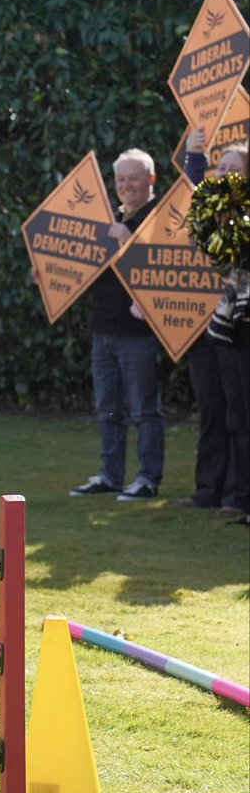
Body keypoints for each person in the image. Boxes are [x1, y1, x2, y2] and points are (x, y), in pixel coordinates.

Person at [70, 148, 164, 502]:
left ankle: (148, 479)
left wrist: (126, 240)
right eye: (120, 179)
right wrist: (47, 275)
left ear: (150, 180)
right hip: (104, 330)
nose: (126, 185)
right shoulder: (108, 219)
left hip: (139, 334)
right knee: (108, 409)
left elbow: (160, 272)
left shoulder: (159, 219)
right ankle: (111, 476)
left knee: (144, 410)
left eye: (133, 178)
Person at [183, 140, 249, 524]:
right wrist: (195, 162)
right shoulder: (221, 210)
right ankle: (230, 495)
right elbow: (198, 223)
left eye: (232, 167)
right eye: (219, 167)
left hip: (241, 319)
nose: (224, 174)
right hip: (230, 325)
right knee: (229, 414)